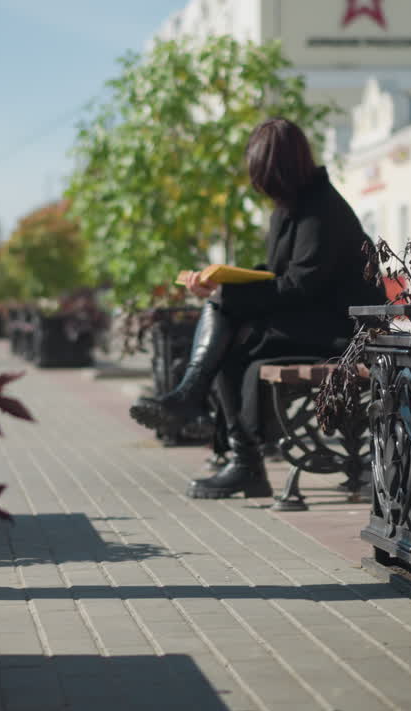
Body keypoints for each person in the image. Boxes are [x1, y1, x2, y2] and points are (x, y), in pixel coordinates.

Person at [129, 117, 385, 499]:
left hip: (342, 329)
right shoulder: (290, 207)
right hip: (309, 319)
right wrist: (225, 283)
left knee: (227, 326)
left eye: (261, 173)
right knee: (229, 336)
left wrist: (228, 294)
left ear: (277, 170)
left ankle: (209, 419)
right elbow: (280, 275)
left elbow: (300, 285)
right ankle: (214, 427)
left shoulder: (320, 210)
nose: (258, 184)